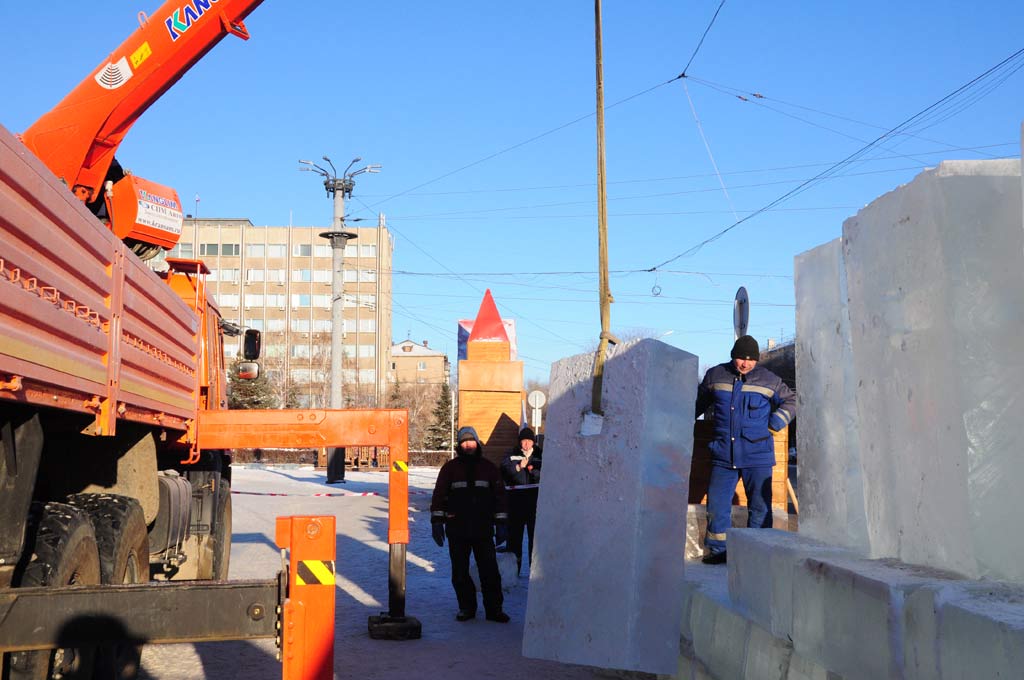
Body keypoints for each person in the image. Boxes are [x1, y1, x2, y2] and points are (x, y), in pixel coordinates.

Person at [695, 335, 795, 565]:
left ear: (756, 360)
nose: (745, 363)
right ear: (733, 356)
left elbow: (792, 401)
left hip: (757, 455)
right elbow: (696, 405)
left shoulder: (769, 380)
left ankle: (757, 553)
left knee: (760, 507)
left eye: (750, 360)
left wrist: (775, 423)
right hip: (723, 454)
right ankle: (718, 550)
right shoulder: (715, 375)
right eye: (741, 358)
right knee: (717, 506)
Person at [430, 426, 511, 622]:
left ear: (477, 442)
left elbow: (500, 497)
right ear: (459, 445)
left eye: (471, 441)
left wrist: (501, 524)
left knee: (490, 571)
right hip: (457, 530)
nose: (468, 445)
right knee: (460, 572)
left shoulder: (489, 468)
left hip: (483, 530)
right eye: (464, 441)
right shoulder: (449, 469)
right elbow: (439, 496)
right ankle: (466, 608)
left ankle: (494, 610)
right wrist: (437, 522)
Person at [500, 427, 542, 576]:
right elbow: (504, 470)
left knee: (535, 541)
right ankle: (513, 572)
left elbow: (548, 473)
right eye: (524, 441)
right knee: (514, 541)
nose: (526, 444)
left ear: (533, 442)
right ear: (519, 442)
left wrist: (533, 471)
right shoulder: (511, 454)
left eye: (529, 441)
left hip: (535, 506)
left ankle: (534, 573)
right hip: (515, 505)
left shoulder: (540, 455)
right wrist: (518, 467)